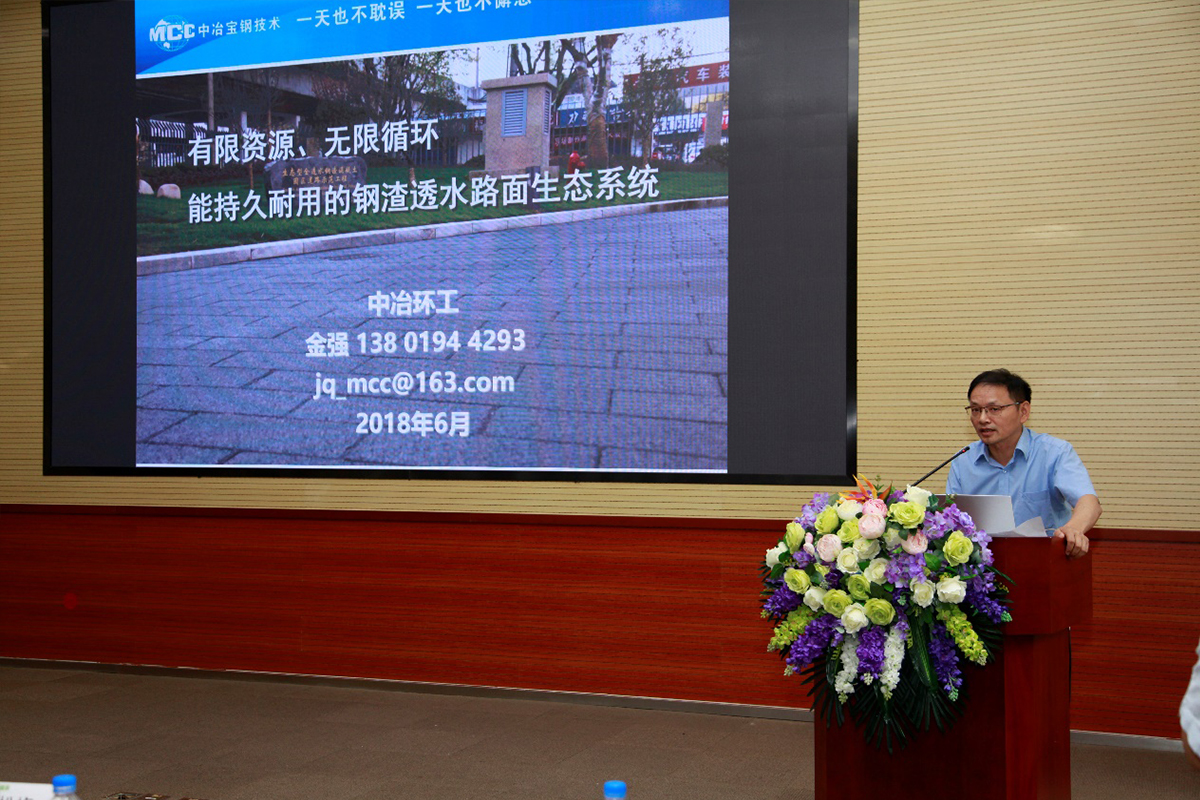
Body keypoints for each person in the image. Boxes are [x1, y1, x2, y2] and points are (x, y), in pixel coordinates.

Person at [946, 369, 1101, 559]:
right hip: (984, 567)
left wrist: (1073, 529)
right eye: (976, 410)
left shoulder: (1054, 453)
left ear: (1023, 411)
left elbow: (1089, 502)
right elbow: (951, 519)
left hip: (1045, 561)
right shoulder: (963, 461)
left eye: (994, 409)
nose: (983, 419)